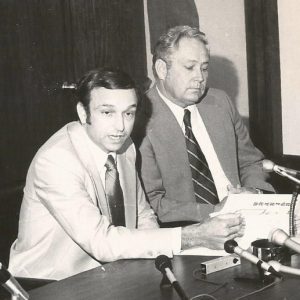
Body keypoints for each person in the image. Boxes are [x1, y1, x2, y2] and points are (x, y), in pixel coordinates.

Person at [9, 68, 244, 280]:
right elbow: (101, 242)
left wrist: (162, 260)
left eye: (128, 113)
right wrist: (192, 236)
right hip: (47, 284)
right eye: (107, 113)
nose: (120, 126)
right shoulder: (56, 160)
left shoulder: (124, 146)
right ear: (83, 113)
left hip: (106, 275)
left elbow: (143, 216)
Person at [133, 26, 274, 235]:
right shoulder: (139, 120)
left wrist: (253, 192)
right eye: (190, 67)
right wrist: (216, 211)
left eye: (205, 68)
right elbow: (153, 202)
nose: (200, 77)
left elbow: (251, 162)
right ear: (162, 69)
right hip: (189, 232)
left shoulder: (219, 102)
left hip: (246, 221)